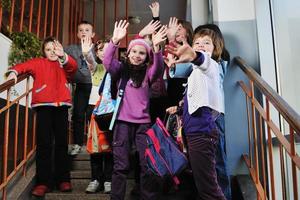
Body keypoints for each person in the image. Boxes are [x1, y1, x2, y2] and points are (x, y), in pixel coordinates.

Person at [103, 20, 167, 200]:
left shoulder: (148, 74)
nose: (137, 55)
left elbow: (159, 67)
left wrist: (156, 49)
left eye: (142, 53)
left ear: (146, 57)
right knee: (120, 166)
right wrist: (114, 41)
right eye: (134, 51)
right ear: (128, 53)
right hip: (122, 123)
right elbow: (107, 60)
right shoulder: (120, 70)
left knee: (147, 165)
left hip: (143, 126)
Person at [6, 36, 77, 197]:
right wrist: (14, 73)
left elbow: (73, 67)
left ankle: (63, 180)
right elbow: (22, 66)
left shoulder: (64, 63)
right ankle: (43, 183)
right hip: (43, 107)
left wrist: (63, 55)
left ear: (59, 48)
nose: (52, 51)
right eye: (48, 49)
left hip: (62, 107)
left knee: (61, 144)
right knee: (44, 145)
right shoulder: (38, 62)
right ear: (43, 52)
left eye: (55, 48)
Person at [166, 28, 226, 199]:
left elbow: (203, 61)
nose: (201, 45)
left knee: (209, 190)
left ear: (215, 48)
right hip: (193, 132)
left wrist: (195, 55)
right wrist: (179, 108)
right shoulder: (195, 72)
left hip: (202, 133)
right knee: (203, 186)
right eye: (197, 43)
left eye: (206, 43)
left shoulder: (212, 66)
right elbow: (197, 98)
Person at [65, 20, 97, 155]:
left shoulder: (98, 48)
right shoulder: (71, 49)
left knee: (92, 116)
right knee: (78, 115)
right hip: (80, 86)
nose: (84, 32)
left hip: (95, 87)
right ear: (78, 34)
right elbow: (59, 55)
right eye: (81, 30)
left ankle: (94, 143)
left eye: (87, 30)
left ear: (93, 34)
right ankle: (78, 143)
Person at [85, 39, 113, 194]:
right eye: (101, 50)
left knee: (109, 147)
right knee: (95, 147)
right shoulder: (97, 68)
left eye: (108, 49)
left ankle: (108, 180)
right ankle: (95, 179)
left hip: (110, 111)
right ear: (96, 53)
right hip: (94, 110)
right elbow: (89, 60)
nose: (104, 52)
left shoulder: (116, 68)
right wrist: (86, 52)